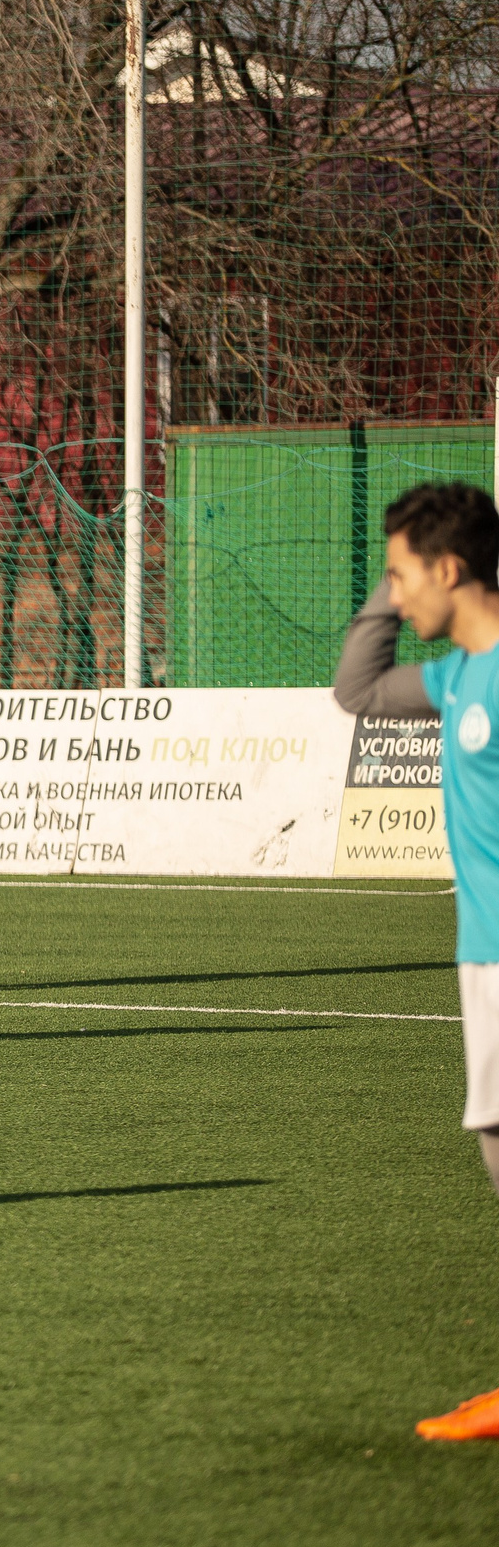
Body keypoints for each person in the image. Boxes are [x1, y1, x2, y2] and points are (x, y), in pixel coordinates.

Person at [333, 479, 499, 1441]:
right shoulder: (458, 676)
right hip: (484, 958)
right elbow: (356, 690)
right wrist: (389, 595)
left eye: (402, 574)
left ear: (451, 567)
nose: (391, 592)